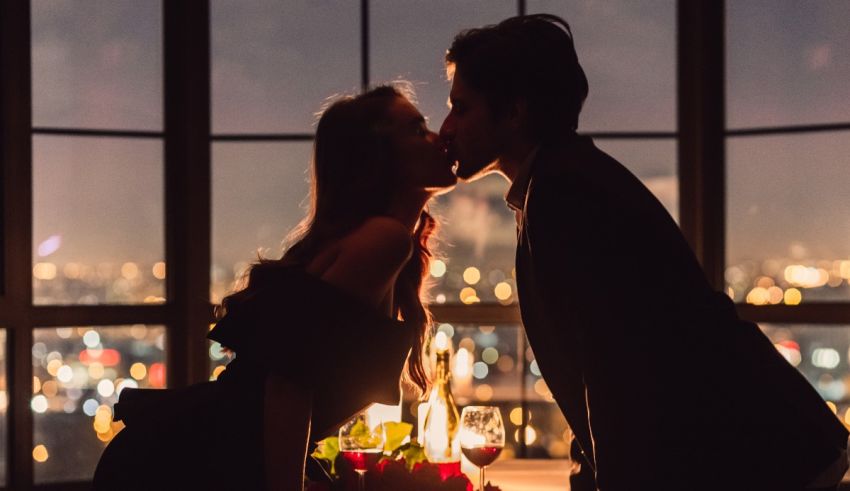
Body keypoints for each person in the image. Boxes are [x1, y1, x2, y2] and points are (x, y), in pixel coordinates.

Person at [439, 14, 849, 491]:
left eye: (461, 109)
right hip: (763, 448)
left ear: (514, 112)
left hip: (749, 459)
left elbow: (615, 372)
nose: (446, 127)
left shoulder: (562, 195)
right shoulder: (565, 180)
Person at [93, 84, 456, 490]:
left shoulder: (374, 242)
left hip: (195, 453)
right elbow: (290, 380)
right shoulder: (383, 241)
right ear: (378, 155)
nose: (437, 137)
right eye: (417, 127)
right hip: (186, 462)